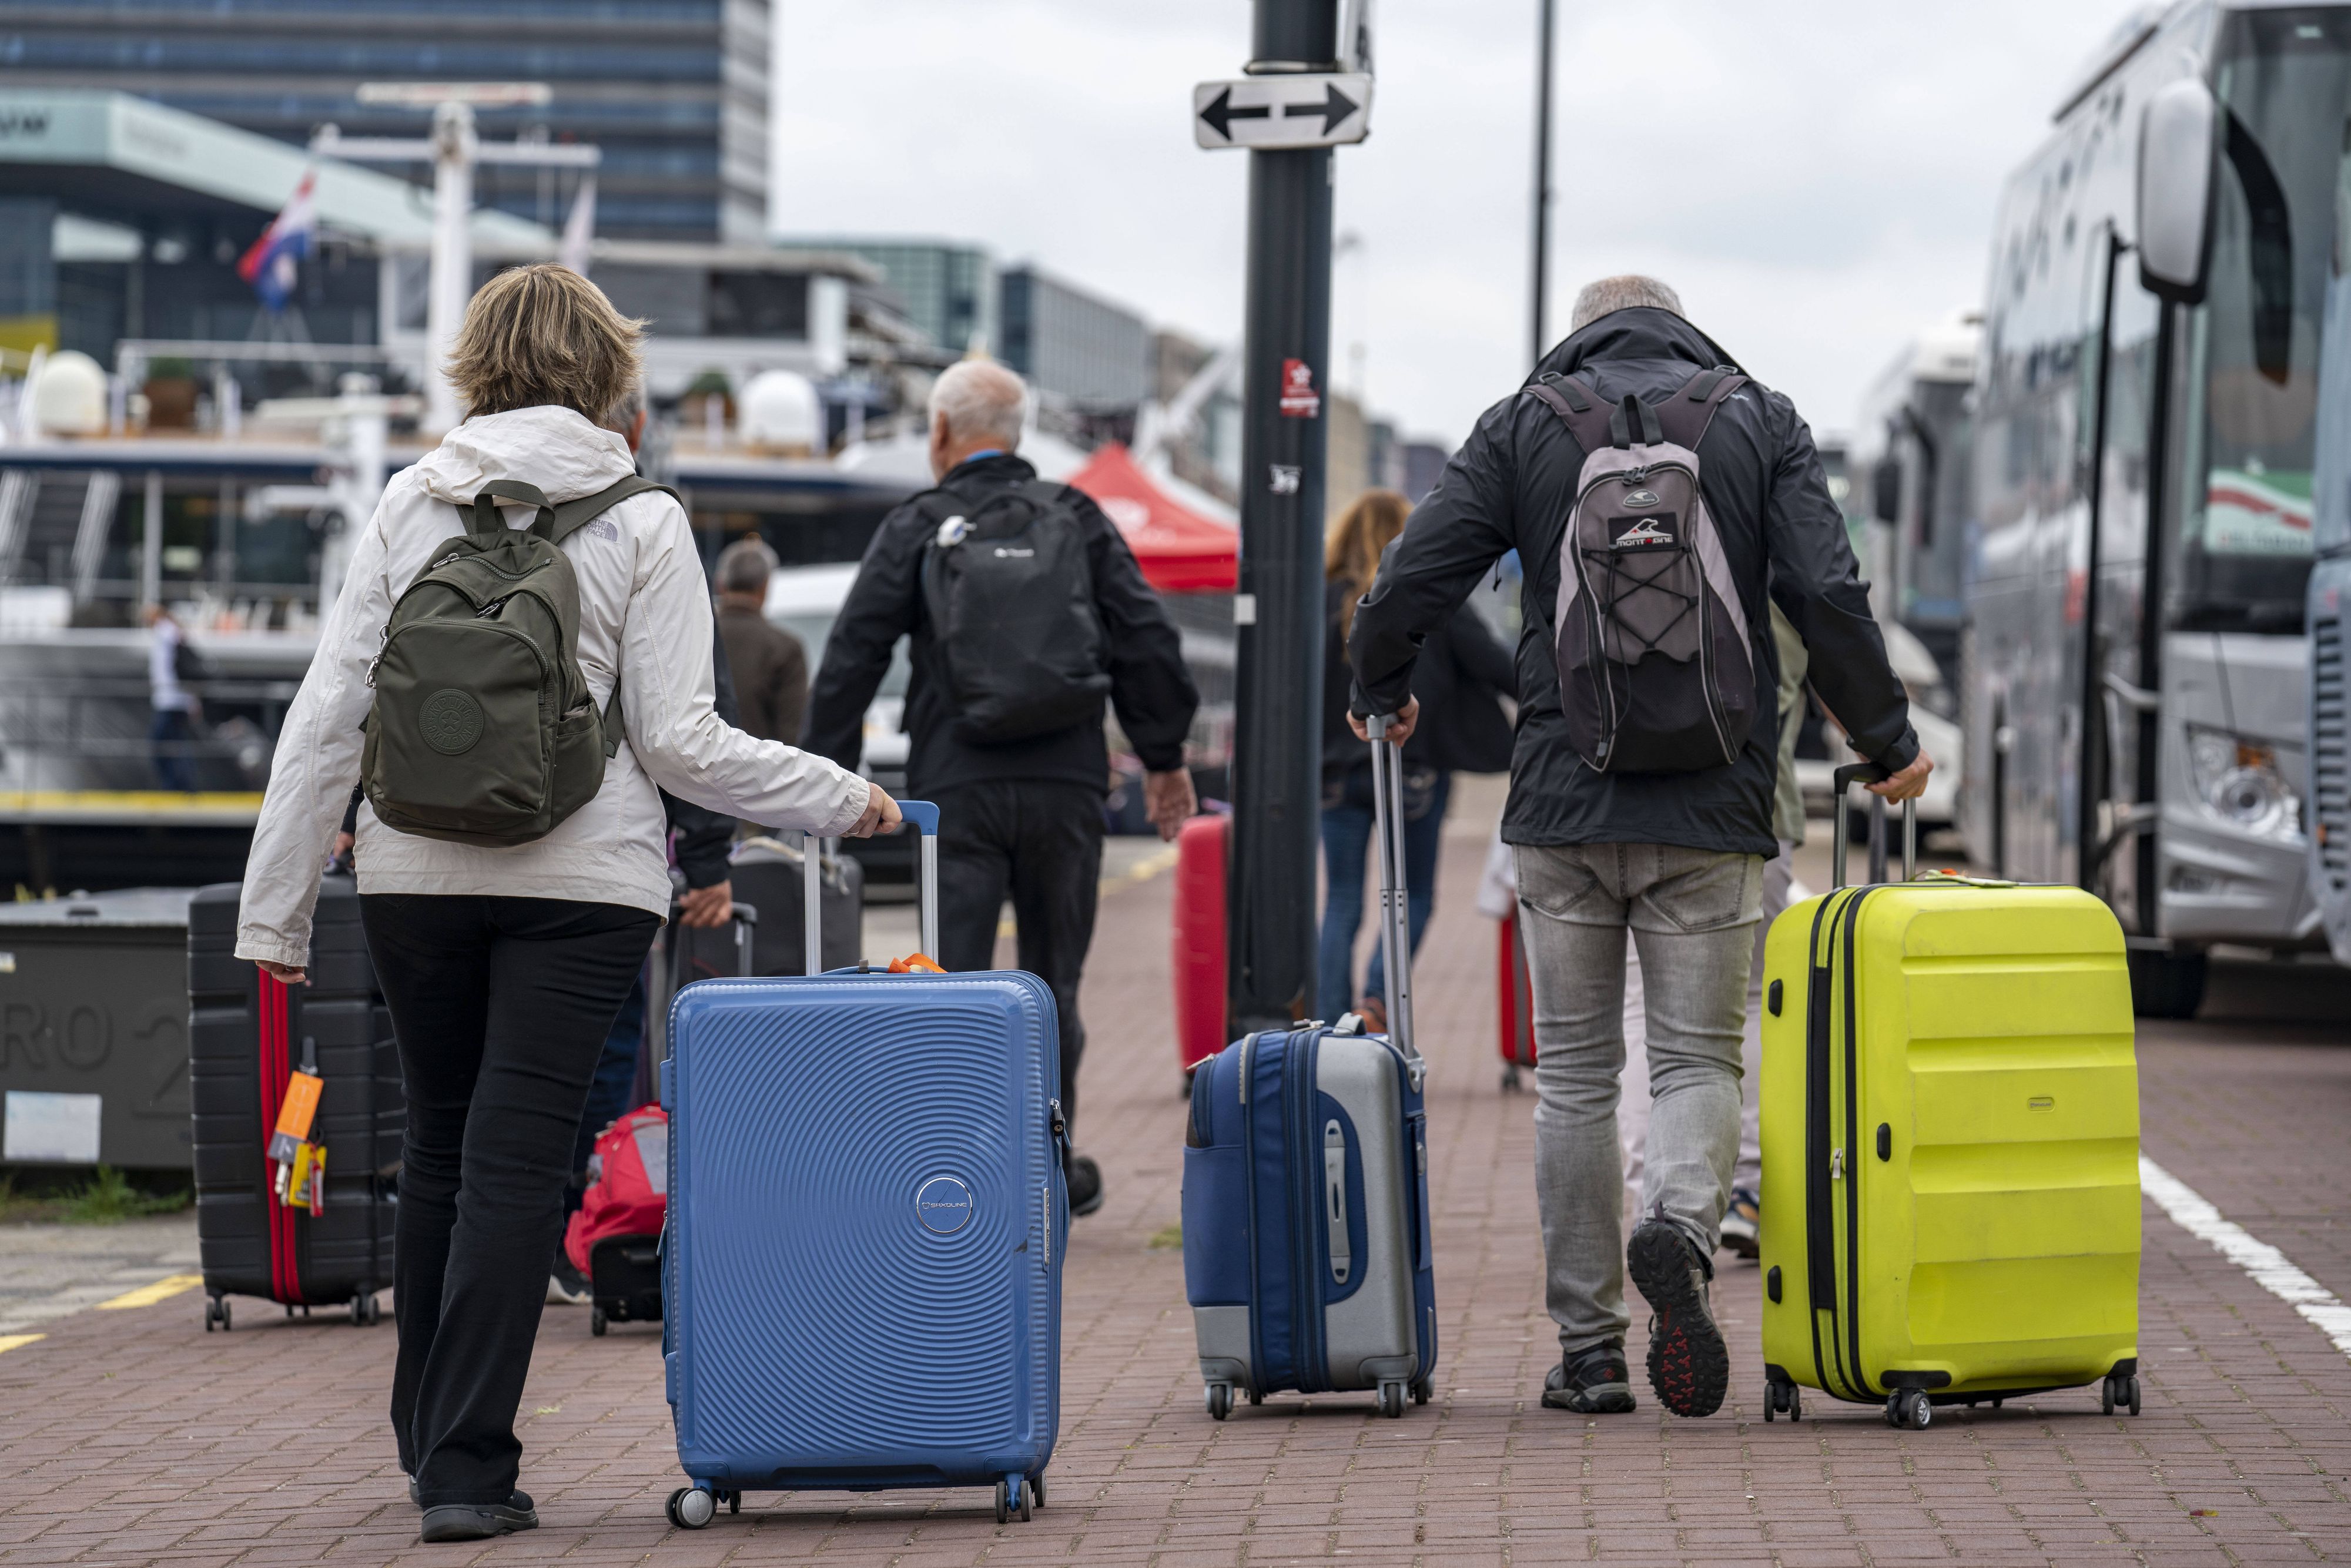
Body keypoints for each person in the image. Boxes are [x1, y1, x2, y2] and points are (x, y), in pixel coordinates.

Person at [232, 263, 897, 1543]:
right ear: (608, 373)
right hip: (580, 884)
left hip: (411, 871)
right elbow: (684, 742)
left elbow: (327, 715)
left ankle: (429, 1430)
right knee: (521, 1154)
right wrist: (837, 798)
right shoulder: (644, 517)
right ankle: (470, 1464)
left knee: (438, 1139)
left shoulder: (407, 504)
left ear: (474, 365)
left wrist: (276, 917)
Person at [1346, 275, 1930, 1420]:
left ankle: (1591, 1351)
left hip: (1565, 802)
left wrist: (1379, 688)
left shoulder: (1524, 421)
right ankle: (1676, 1227)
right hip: (1714, 806)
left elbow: (1411, 576)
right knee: (1695, 1061)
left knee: (1571, 1078)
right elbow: (1822, 586)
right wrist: (1887, 737)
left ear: (1579, 329)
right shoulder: (1758, 417)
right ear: (1681, 326)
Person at [805, 359, 1198, 1219]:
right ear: (1015, 438)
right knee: (1055, 984)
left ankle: (958, 1172)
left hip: (959, 793)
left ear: (942, 435)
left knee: (955, 986)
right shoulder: (1077, 517)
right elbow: (1145, 639)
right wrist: (1164, 758)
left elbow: (851, 658)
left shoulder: (917, 523)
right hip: (1065, 785)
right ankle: (1047, 1173)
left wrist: (819, 785)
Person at [550, 379, 744, 1308]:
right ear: (630, 427)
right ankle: (574, 1226)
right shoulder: (647, 523)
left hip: (444, 852)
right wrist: (706, 861)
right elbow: (692, 724)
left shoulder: (451, 502)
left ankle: (492, 1250)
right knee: (605, 1042)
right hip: (601, 856)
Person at [1617, 606, 1810, 1258]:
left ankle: (1658, 1207)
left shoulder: (1599, 506)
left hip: (1616, 796)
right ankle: (1744, 1191)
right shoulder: (1767, 514)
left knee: (1642, 1007)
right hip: (1748, 805)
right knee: (1749, 1002)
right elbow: (1836, 623)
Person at [1317, 489, 1514, 1026]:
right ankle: (1378, 1000)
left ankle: (1330, 1025)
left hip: (1335, 772)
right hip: (1414, 768)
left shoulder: (1324, 599)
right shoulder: (1429, 596)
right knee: (1413, 894)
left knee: (1340, 900)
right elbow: (1496, 663)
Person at [712, 536, 808, 745]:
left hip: (689, 773)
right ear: (765, 587)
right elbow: (791, 738)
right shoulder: (785, 648)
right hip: (758, 774)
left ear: (721, 584)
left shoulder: (696, 635)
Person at [145, 604, 199, 792]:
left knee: (162, 744)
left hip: (170, 698)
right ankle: (181, 785)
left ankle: (176, 785)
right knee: (175, 743)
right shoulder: (173, 633)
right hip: (176, 697)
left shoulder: (165, 632)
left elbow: (168, 667)